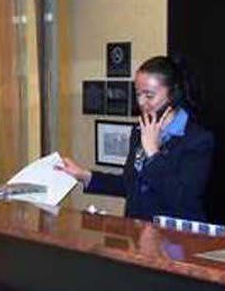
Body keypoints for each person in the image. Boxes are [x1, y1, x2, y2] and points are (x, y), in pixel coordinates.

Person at [59, 55, 214, 221]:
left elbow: (181, 198)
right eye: (138, 94)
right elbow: (131, 184)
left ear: (173, 93)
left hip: (175, 239)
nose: (141, 103)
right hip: (138, 234)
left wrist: (153, 154)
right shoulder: (140, 130)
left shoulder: (197, 139)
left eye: (149, 95)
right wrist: (85, 175)